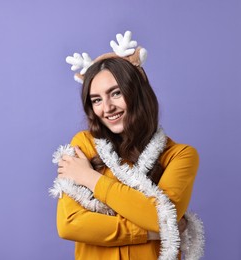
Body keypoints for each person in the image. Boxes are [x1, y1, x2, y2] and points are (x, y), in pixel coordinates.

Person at [50, 31, 204, 260]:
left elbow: (161, 216)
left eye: (116, 93)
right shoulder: (84, 145)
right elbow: (70, 224)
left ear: (138, 93)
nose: (107, 107)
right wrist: (149, 233)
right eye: (96, 100)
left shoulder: (180, 156)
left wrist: (90, 178)